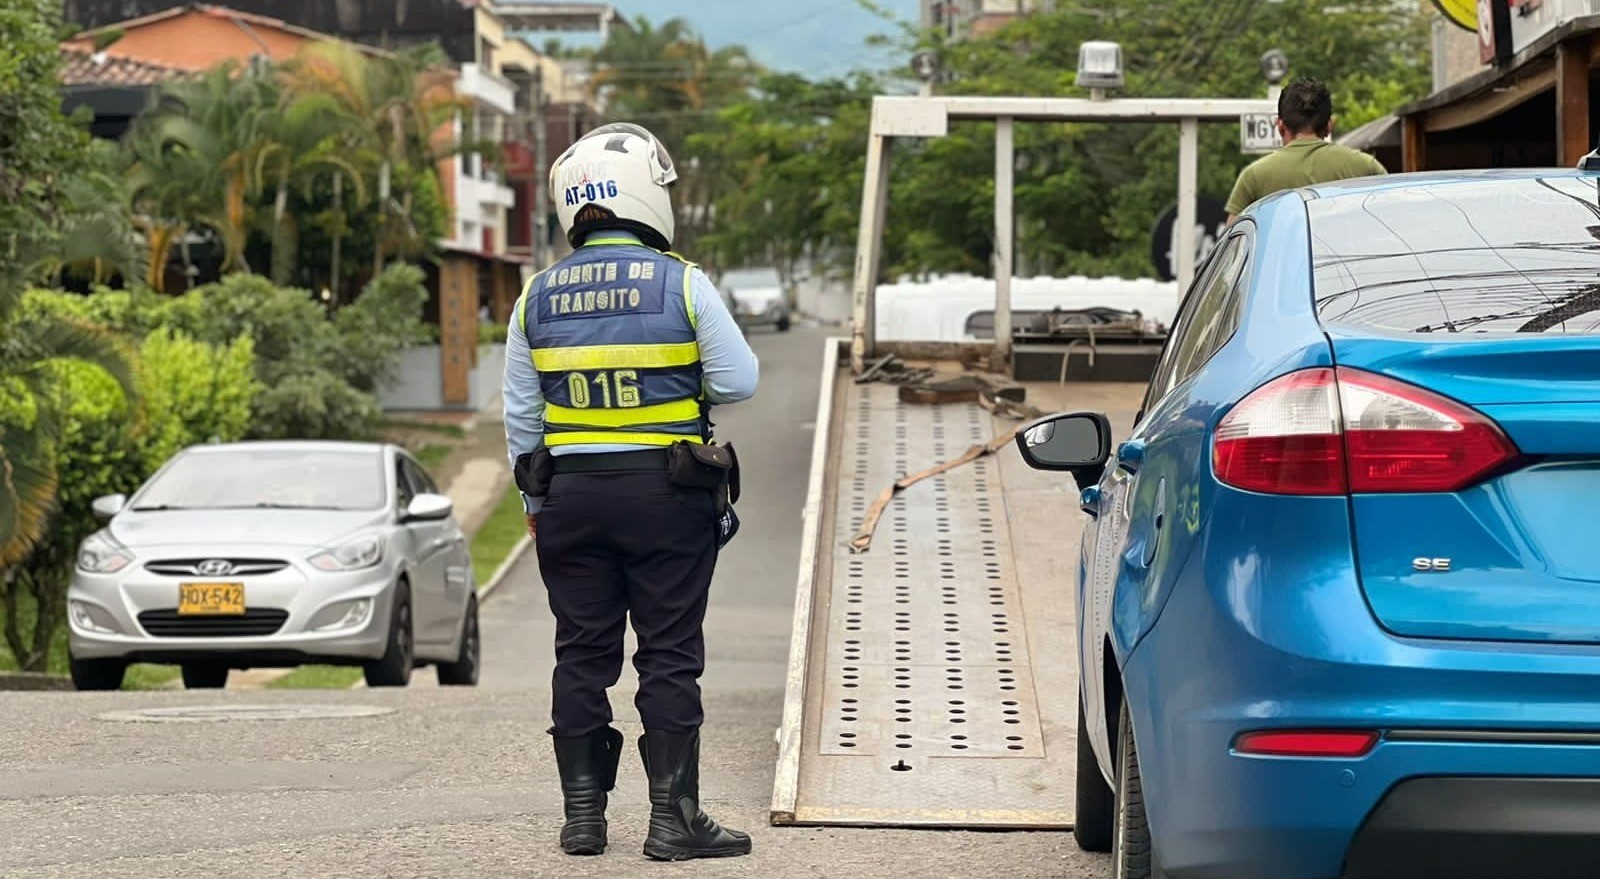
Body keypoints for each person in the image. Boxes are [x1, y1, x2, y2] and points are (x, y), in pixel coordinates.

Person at [502, 122, 759, 862]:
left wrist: (532, 501)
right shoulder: (681, 281)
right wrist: (685, 383)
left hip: (570, 497)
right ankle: (672, 821)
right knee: (669, 653)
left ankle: (583, 820)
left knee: (581, 651)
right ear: (645, 196)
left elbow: (522, 415)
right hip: (666, 493)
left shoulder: (535, 297)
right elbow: (740, 380)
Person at [1225, 76, 1387, 224]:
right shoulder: (1367, 167)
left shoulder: (1254, 176)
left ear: (1280, 125)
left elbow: (1234, 244)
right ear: (1329, 125)